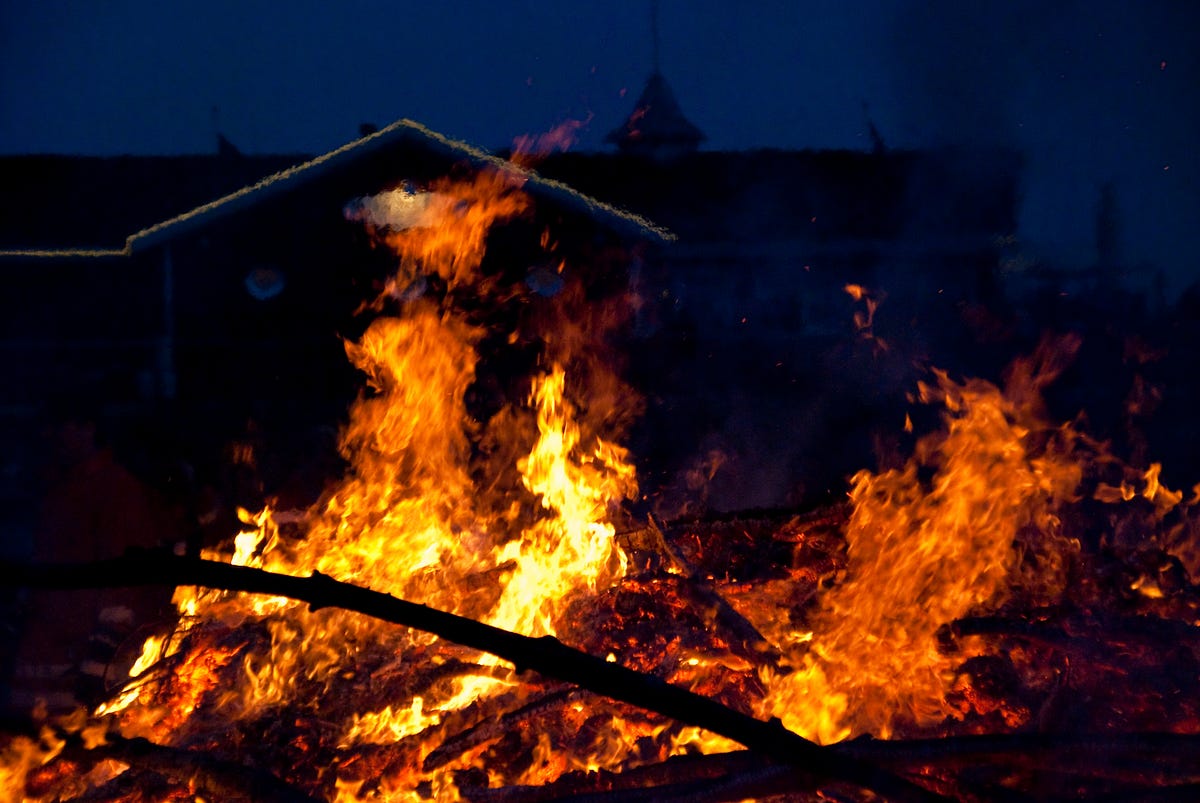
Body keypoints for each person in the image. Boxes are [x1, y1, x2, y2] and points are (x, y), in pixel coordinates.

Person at [8, 402, 167, 712]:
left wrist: (99, 662)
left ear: (88, 428)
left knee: (80, 754)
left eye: (60, 426)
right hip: (41, 662)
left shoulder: (114, 489)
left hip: (78, 666)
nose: (50, 436)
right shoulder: (55, 489)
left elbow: (127, 578)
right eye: (48, 428)